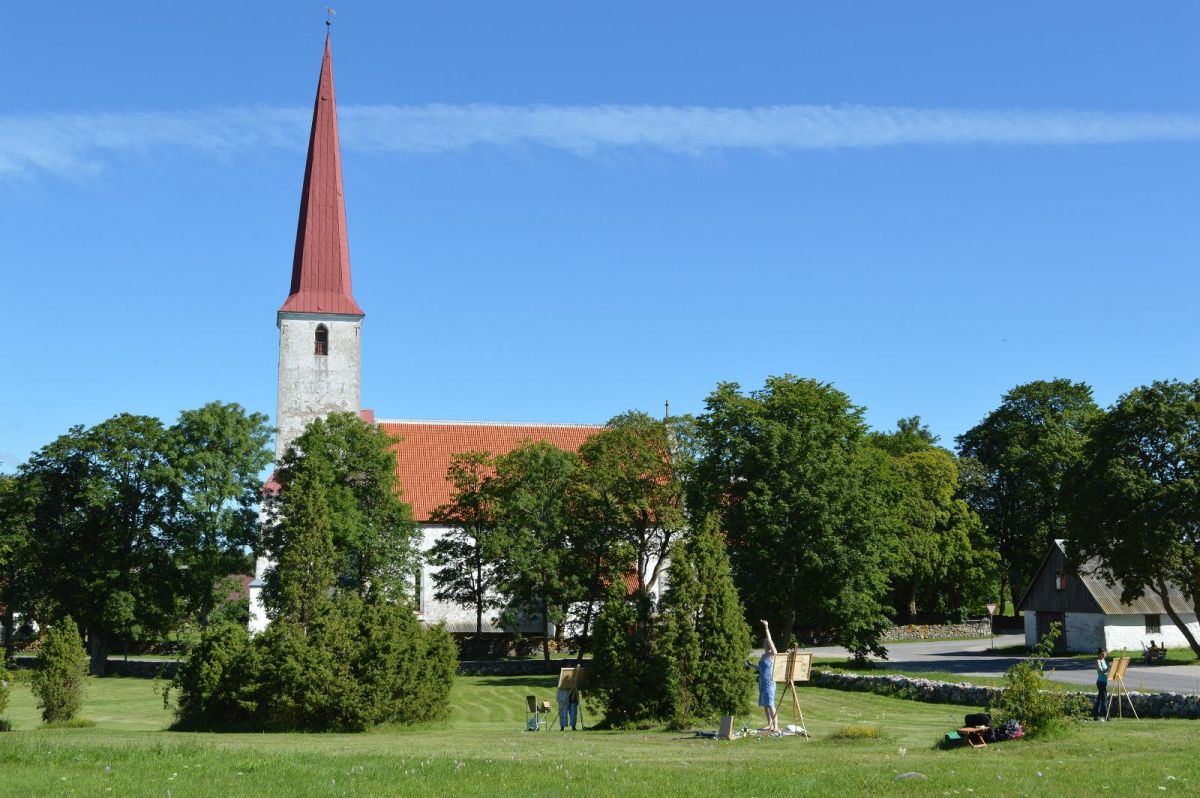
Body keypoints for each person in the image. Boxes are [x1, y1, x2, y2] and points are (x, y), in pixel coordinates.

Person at [758, 619, 779, 733]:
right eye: (765, 641)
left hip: (769, 682)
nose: (766, 641)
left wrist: (766, 626)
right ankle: (769, 724)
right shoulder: (763, 655)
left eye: (768, 641)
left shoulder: (772, 654)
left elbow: (769, 639)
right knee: (765, 704)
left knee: (771, 704)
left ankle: (776, 726)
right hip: (762, 682)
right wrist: (751, 665)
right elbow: (760, 669)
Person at [1093, 647, 1109, 721]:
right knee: (1104, 699)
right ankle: (1106, 716)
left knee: (1099, 699)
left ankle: (1096, 715)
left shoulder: (1103, 660)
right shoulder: (1098, 661)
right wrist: (1108, 667)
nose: (1104, 655)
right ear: (1099, 654)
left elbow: (1105, 672)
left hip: (1104, 682)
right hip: (1101, 682)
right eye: (1103, 654)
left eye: (1104, 654)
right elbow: (1100, 671)